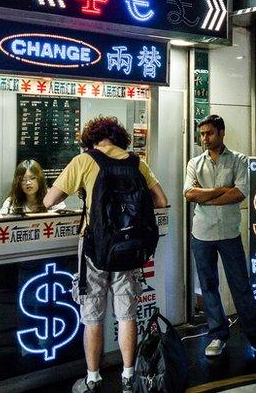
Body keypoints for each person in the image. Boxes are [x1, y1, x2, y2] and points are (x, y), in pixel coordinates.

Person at [43, 116, 168, 393]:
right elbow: (162, 200)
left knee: (93, 315)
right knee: (127, 314)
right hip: (129, 250)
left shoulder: (85, 160)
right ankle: (127, 377)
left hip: (94, 249)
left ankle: (93, 378)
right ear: (119, 137)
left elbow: (49, 200)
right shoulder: (137, 162)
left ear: (91, 138)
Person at [184, 115, 256, 360]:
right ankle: (218, 335)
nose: (205, 138)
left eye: (210, 133)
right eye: (202, 134)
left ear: (222, 132)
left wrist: (206, 196)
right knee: (208, 286)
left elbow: (239, 193)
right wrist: (219, 191)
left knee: (241, 286)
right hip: (201, 233)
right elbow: (189, 193)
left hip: (229, 233)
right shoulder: (194, 163)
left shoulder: (239, 160)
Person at [0, 159, 65, 215]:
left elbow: (63, 220)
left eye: (32, 178)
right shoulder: (11, 202)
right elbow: (0, 224)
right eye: (23, 180)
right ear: (18, 182)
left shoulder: (52, 197)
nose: (28, 183)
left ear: (39, 179)